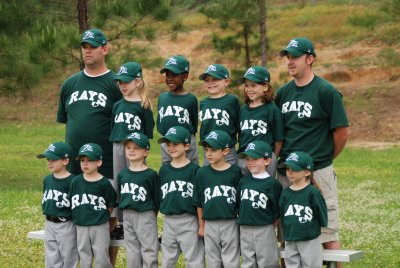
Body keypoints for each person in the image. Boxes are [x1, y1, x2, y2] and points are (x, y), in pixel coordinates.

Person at [276, 37, 350, 260]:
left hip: (318, 169)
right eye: (288, 57)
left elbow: (342, 132)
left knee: (327, 232)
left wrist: (322, 159)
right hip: (287, 172)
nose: (290, 61)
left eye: (295, 56)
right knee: (287, 231)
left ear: (310, 58)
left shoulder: (326, 91)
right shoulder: (283, 94)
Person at [56, 28, 122, 265]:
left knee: (107, 221)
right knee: (77, 220)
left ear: (105, 49)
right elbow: (67, 120)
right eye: (85, 46)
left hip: (106, 164)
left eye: (93, 46)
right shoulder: (69, 84)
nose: (88, 51)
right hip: (75, 166)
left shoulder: (115, 84)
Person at [110, 61, 154, 239]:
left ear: (137, 82)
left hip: (136, 147)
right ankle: (121, 223)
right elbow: (114, 128)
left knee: (136, 181)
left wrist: (141, 149)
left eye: (126, 82)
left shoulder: (144, 106)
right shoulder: (117, 105)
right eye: (120, 83)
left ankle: (139, 220)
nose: (122, 86)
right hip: (118, 145)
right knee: (119, 183)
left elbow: (147, 133)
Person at [157, 126, 205, 268]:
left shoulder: (195, 170)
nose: (170, 147)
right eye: (168, 144)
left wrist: (201, 224)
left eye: (175, 144)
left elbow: (199, 200)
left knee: (194, 260)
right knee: (167, 261)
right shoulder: (164, 169)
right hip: (169, 221)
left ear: (186, 146)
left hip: (189, 220)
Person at [193, 130, 242, 268]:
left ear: (225, 151)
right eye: (206, 149)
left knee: (231, 260)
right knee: (213, 260)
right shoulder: (202, 173)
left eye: (213, 150)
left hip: (230, 222)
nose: (208, 153)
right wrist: (202, 226)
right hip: (210, 223)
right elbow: (199, 202)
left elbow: (240, 200)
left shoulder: (235, 172)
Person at [69, 143, 117, 268]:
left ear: (99, 162)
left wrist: (103, 216)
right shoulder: (76, 181)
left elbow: (111, 202)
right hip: (81, 224)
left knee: (101, 255)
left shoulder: (104, 182)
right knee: (84, 254)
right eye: (82, 160)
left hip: (99, 224)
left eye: (90, 160)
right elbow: (71, 200)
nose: (85, 164)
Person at [237, 140, 282, 268]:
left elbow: (277, 210)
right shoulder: (243, 181)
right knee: (248, 262)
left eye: (255, 159)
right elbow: (239, 204)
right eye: (248, 159)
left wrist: (270, 226)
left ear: (267, 161)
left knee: (267, 262)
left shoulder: (272, 184)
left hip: (264, 228)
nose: (250, 163)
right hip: (245, 228)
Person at [278, 151, 328, 268]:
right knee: (292, 265)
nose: (289, 172)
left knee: (311, 265)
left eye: (294, 169)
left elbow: (321, 212)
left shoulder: (312, 192)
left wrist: (316, 229)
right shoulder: (285, 193)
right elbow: (282, 215)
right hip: (291, 238)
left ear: (306, 172)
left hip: (309, 238)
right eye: (287, 169)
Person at [118, 132, 159, 268]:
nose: (131, 150)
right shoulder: (123, 174)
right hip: (128, 214)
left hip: (145, 214)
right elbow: (121, 195)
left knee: (149, 249)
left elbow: (156, 198)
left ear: (145, 152)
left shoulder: (150, 175)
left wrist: (152, 215)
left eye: (136, 148)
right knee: (132, 250)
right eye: (128, 147)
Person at [37, 142, 79, 268]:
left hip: (66, 224)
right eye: (48, 159)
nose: (49, 162)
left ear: (65, 161)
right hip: (49, 222)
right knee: (51, 257)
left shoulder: (73, 181)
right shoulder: (47, 180)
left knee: (69, 257)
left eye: (54, 159)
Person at [238, 66, 284, 177]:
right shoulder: (243, 109)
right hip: (244, 158)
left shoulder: (272, 110)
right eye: (247, 86)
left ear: (265, 87)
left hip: (264, 159)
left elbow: (279, 139)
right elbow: (241, 136)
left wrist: (272, 158)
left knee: (265, 189)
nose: (249, 89)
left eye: (253, 85)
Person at [157, 55, 199, 164]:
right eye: (167, 75)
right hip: (166, 139)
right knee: (167, 166)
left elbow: (193, 123)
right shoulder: (162, 97)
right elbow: (160, 121)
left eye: (174, 75)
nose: (170, 78)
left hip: (185, 141)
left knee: (191, 167)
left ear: (185, 76)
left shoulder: (190, 99)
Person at [198, 64, 240, 166]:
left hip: (226, 150)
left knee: (230, 178)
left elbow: (238, 125)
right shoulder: (203, 102)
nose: (211, 83)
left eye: (215, 79)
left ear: (226, 82)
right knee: (209, 177)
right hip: (208, 150)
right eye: (207, 80)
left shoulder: (232, 101)